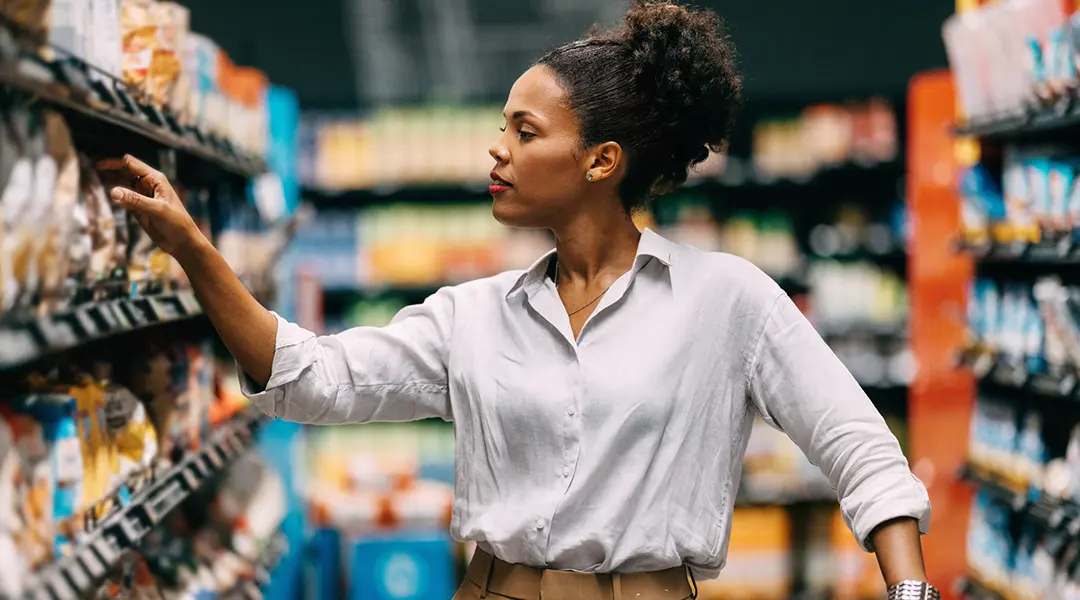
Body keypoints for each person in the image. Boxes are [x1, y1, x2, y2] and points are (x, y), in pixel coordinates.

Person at [98, 1, 936, 598]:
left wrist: (911, 594)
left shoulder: (727, 300)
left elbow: (860, 450)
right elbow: (308, 378)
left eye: (525, 132)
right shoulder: (473, 315)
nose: (496, 150)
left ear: (602, 161)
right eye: (503, 126)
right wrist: (193, 250)